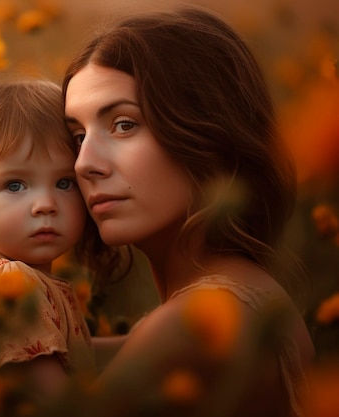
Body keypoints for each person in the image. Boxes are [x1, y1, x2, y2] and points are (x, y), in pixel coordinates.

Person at [62, 6, 315, 417]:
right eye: (77, 135)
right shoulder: (242, 295)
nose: (83, 163)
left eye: (124, 124)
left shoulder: (195, 326)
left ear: (207, 131)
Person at [0, 77, 97, 404]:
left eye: (65, 182)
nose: (45, 204)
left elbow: (68, 355)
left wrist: (138, 343)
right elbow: (61, 406)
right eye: (15, 186)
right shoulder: (9, 284)